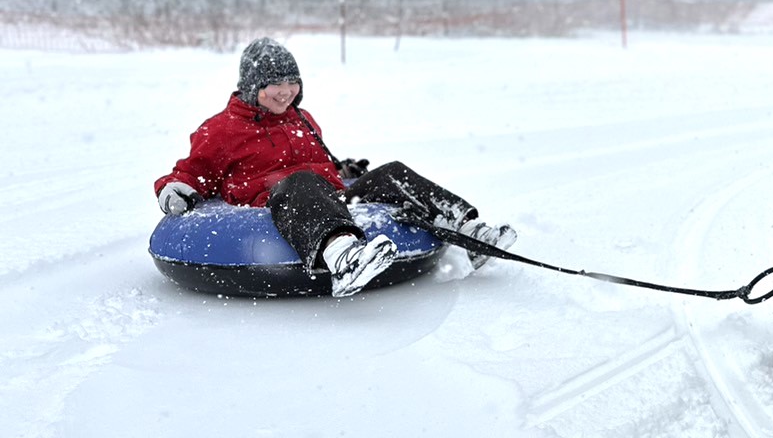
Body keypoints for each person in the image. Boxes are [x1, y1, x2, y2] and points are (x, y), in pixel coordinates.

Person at [154, 38, 513, 297]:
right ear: (251, 87)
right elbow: (192, 171)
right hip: (276, 201)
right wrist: (175, 187)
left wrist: (342, 169)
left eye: (291, 82)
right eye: (273, 84)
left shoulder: (303, 118)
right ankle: (343, 256)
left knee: (393, 172)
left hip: (329, 193)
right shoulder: (220, 130)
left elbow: (316, 160)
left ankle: (472, 232)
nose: (285, 92)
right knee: (302, 181)